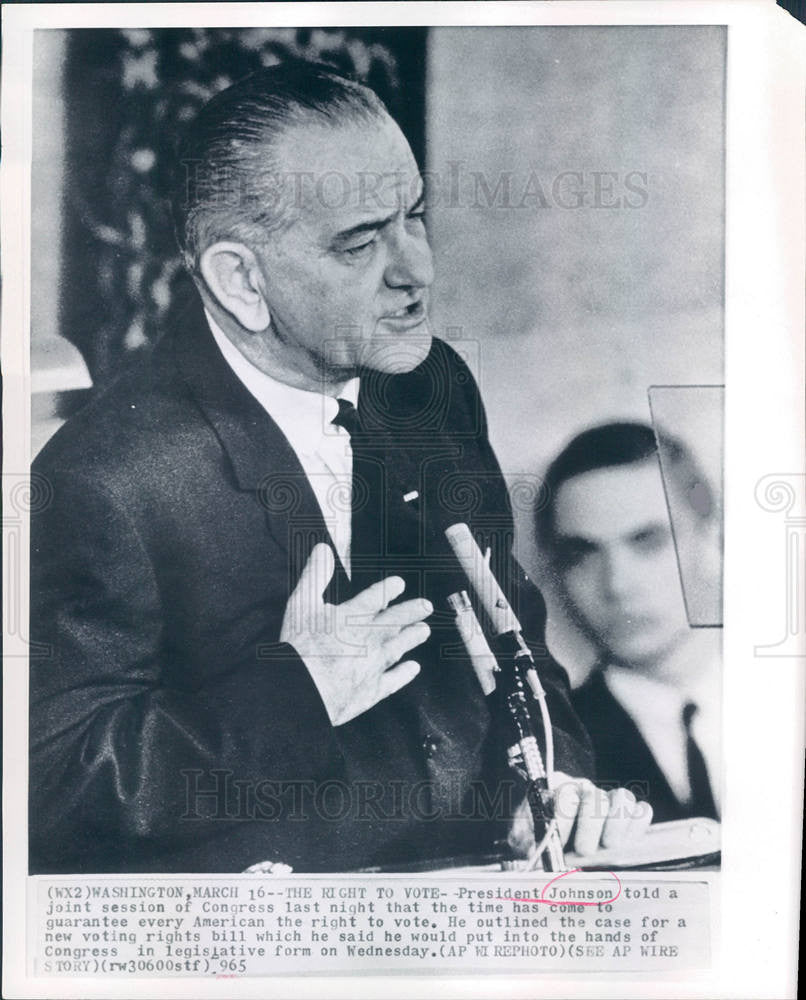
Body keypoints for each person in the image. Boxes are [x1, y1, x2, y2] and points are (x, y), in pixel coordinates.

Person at [29, 63, 649, 874]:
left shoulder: (430, 387)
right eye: (360, 243)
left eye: (414, 217)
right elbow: (49, 792)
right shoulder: (105, 478)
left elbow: (512, 632)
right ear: (241, 281)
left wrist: (552, 787)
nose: (417, 271)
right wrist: (294, 695)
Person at [537, 422, 721, 823]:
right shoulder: (553, 750)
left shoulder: (788, 700)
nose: (617, 585)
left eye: (647, 541)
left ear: (711, 539)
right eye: (582, 554)